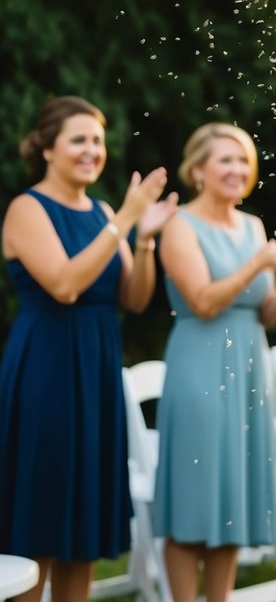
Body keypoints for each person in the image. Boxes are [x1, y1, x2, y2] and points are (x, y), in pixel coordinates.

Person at [0, 95, 177, 602]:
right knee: (42, 512)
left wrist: (143, 240)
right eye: (78, 139)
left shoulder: (102, 211)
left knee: (81, 522)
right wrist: (124, 219)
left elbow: (135, 297)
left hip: (96, 370)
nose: (91, 150)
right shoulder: (27, 208)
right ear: (47, 148)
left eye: (97, 141)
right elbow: (64, 284)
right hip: (47, 370)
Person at [153, 123, 276, 602]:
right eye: (225, 159)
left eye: (243, 160)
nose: (237, 169)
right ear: (197, 168)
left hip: (246, 371)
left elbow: (263, 312)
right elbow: (202, 300)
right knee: (193, 497)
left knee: (229, 501)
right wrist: (260, 264)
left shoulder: (252, 226)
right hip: (197, 370)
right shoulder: (179, 225)